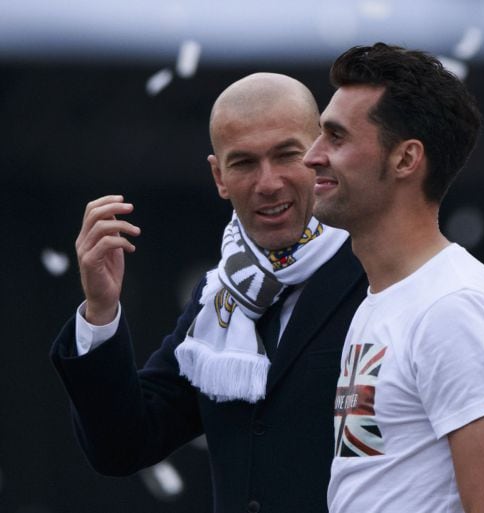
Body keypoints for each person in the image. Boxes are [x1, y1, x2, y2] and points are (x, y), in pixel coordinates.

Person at [50, 73, 368, 513]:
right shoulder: (219, 297)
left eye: (286, 155)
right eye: (243, 163)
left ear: (322, 154)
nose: (268, 182)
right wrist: (101, 311)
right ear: (219, 176)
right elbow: (123, 446)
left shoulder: (378, 274)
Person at [303, 43, 484, 513]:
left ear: (406, 159)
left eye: (336, 137)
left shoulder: (454, 307)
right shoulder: (385, 300)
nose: (312, 155)